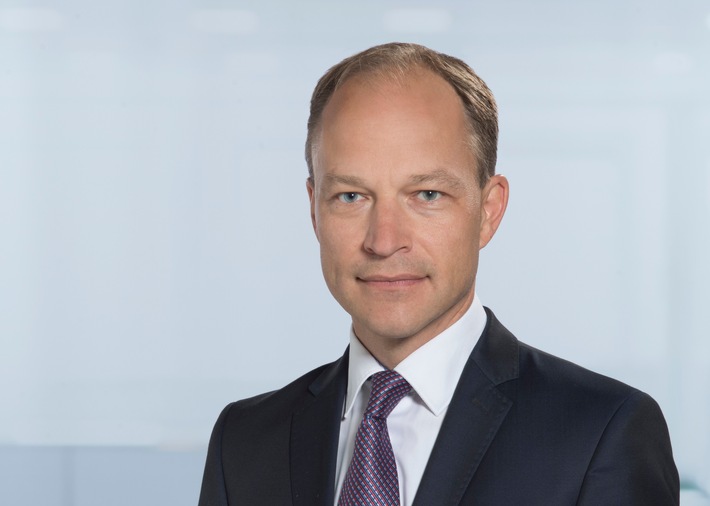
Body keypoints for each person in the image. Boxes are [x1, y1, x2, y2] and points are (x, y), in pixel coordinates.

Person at [198, 42, 679, 506]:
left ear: (488, 211)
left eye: (427, 194)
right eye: (351, 196)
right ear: (313, 210)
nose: (384, 240)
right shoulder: (243, 442)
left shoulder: (602, 436)